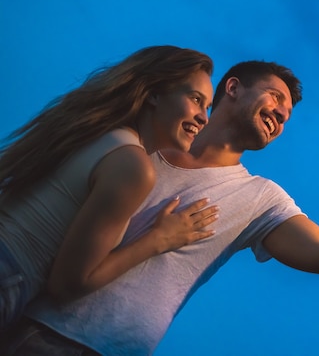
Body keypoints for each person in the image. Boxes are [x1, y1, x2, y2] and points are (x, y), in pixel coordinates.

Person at [2, 60, 319, 355]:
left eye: (287, 115)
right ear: (231, 88)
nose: (281, 113)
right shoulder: (140, 147)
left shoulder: (260, 198)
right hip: (36, 326)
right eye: (275, 97)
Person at [0, 45, 220, 331]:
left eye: (207, 107)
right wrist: (158, 239)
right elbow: (66, 285)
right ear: (154, 93)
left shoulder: (94, 130)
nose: (204, 118)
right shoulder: (133, 167)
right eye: (195, 99)